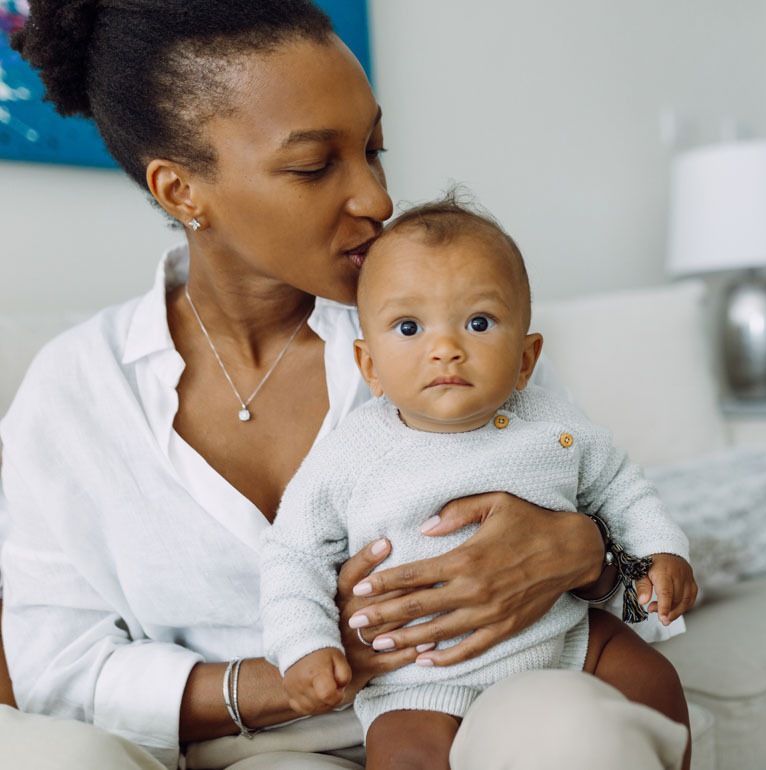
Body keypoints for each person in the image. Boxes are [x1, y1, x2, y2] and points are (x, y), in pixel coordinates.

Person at [0, 1, 694, 768]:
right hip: (247, 743)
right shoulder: (75, 393)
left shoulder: (442, 334)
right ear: (180, 190)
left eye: (374, 150)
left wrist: (589, 557)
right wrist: (287, 680)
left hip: (487, 698)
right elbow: (53, 668)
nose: (376, 199)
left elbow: (610, 518)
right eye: (314, 165)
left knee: (575, 733)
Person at [261, 199, 696, 768]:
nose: (446, 348)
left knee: (653, 680)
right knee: (403, 756)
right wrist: (305, 647)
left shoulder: (553, 425)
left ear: (525, 358)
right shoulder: (351, 453)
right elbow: (292, 555)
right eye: (410, 327)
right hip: (418, 681)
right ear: (369, 367)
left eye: (479, 322)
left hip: (565, 640)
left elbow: (620, 487)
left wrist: (662, 550)